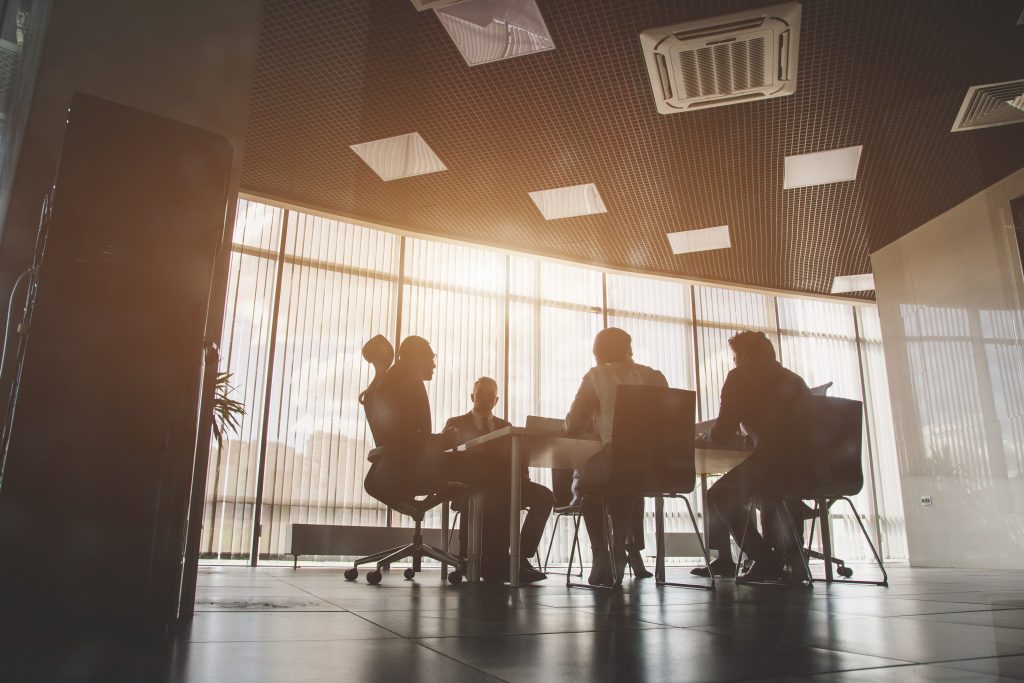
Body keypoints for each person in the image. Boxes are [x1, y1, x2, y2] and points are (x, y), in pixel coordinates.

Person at [364, 336, 509, 581]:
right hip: (410, 468)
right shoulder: (405, 382)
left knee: (485, 470)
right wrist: (446, 439)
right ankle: (484, 559)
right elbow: (410, 439)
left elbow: (405, 436)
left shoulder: (394, 380)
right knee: (491, 472)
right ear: (415, 356)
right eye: (431, 357)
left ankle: (483, 557)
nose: (433, 364)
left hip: (392, 468)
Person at [698, 330, 812, 582]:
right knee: (776, 491)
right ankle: (793, 560)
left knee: (718, 495)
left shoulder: (740, 377)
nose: (734, 361)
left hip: (770, 463)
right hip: (806, 468)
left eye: (735, 355)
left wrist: (706, 437)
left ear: (745, 354)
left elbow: (723, 432)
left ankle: (763, 559)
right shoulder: (794, 379)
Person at [564, 327, 666, 586]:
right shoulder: (654, 376)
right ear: (628, 349)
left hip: (617, 458)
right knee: (623, 486)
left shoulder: (597, 375)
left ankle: (601, 552)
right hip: (655, 466)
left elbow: (573, 422)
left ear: (597, 352)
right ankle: (619, 546)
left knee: (589, 484)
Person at [445, 377, 552, 584]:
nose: (485, 398)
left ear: (497, 400)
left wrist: (523, 475)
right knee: (497, 495)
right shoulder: (456, 423)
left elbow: (519, 456)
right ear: (471, 397)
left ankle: (520, 556)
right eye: (480, 394)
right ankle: (490, 560)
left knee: (544, 497)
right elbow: (448, 458)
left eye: (490, 395)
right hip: (472, 486)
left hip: (506, 485)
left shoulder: (506, 426)